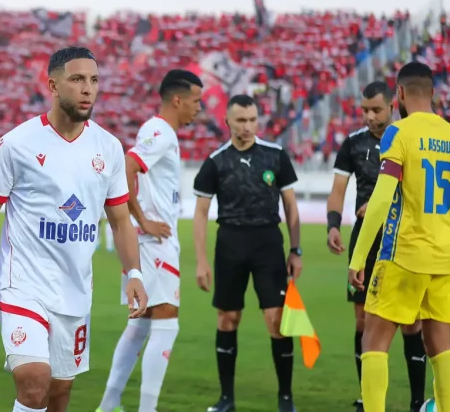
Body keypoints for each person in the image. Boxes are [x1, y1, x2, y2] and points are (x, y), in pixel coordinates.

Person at [0, 46, 149, 412]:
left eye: (94, 80)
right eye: (77, 79)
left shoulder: (109, 148)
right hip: (24, 286)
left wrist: (134, 272)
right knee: (33, 383)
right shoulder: (16, 144)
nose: (88, 89)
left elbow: (118, 219)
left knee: (59, 394)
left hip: (75, 292)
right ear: (53, 85)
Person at [348, 61, 450, 412]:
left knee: (374, 341)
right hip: (443, 260)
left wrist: (358, 259)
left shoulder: (399, 133)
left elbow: (382, 198)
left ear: (398, 94)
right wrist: (447, 248)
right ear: (433, 93)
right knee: (441, 347)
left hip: (403, 255)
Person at [97, 69, 204, 412]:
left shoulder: (159, 132)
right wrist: (143, 220)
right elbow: (127, 167)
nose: (199, 109)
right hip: (152, 242)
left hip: (146, 241)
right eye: (196, 101)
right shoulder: (159, 132)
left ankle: (109, 403)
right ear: (178, 100)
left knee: (140, 326)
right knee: (166, 322)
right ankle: (146, 408)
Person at [192, 94, 302, 412]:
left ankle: (286, 398)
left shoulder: (276, 156)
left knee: (278, 320)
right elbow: (200, 214)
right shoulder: (215, 162)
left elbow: (291, 206)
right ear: (227, 122)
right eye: (241, 120)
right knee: (228, 319)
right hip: (230, 244)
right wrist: (201, 260)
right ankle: (226, 398)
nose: (248, 126)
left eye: (253, 119)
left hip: (268, 242)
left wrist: (296, 249)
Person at [326, 81, 427, 412]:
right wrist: (332, 224)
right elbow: (338, 188)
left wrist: (383, 205)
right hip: (366, 239)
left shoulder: (409, 138)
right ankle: (365, 396)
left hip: (403, 236)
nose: (370, 116)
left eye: (376, 110)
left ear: (392, 106)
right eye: (365, 110)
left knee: (412, 321)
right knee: (362, 321)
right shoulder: (352, 145)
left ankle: (415, 401)